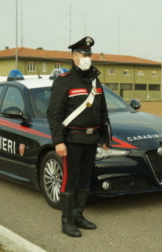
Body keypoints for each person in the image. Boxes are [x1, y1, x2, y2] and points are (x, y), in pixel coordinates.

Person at [47, 36, 111, 237]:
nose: (87, 57)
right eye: (83, 54)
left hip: (91, 139)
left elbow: (102, 110)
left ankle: (78, 215)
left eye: (89, 54)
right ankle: (66, 222)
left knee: (85, 179)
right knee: (70, 179)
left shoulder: (94, 80)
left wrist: (105, 137)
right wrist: (58, 141)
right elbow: (54, 114)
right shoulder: (64, 81)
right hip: (72, 140)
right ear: (73, 57)